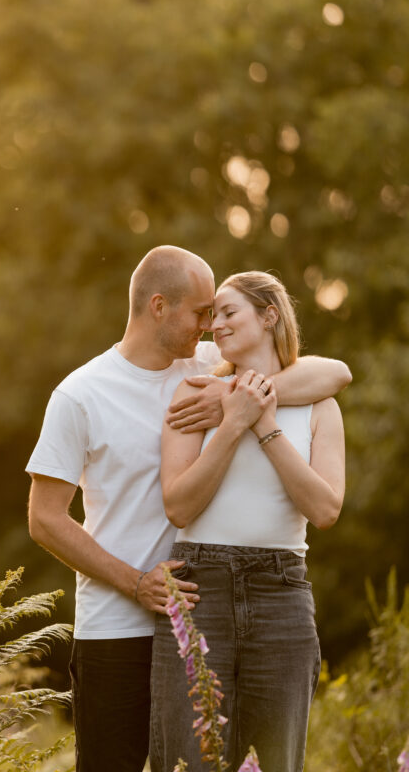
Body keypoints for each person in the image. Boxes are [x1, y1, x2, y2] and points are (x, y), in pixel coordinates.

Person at [25, 246, 350, 772]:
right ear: (159, 306)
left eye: (219, 312)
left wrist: (233, 398)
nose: (210, 326)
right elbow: (44, 518)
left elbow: (333, 374)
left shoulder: (202, 369)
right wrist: (134, 583)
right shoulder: (81, 394)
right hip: (118, 623)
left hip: (198, 605)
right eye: (202, 312)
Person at [150, 272, 344, 772]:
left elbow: (324, 510)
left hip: (281, 595)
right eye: (212, 316)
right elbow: (179, 507)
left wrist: (263, 419)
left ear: (269, 315)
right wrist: (233, 419)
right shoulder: (195, 395)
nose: (215, 325)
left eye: (228, 312)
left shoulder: (321, 406)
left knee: (278, 761)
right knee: (189, 761)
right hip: (200, 590)